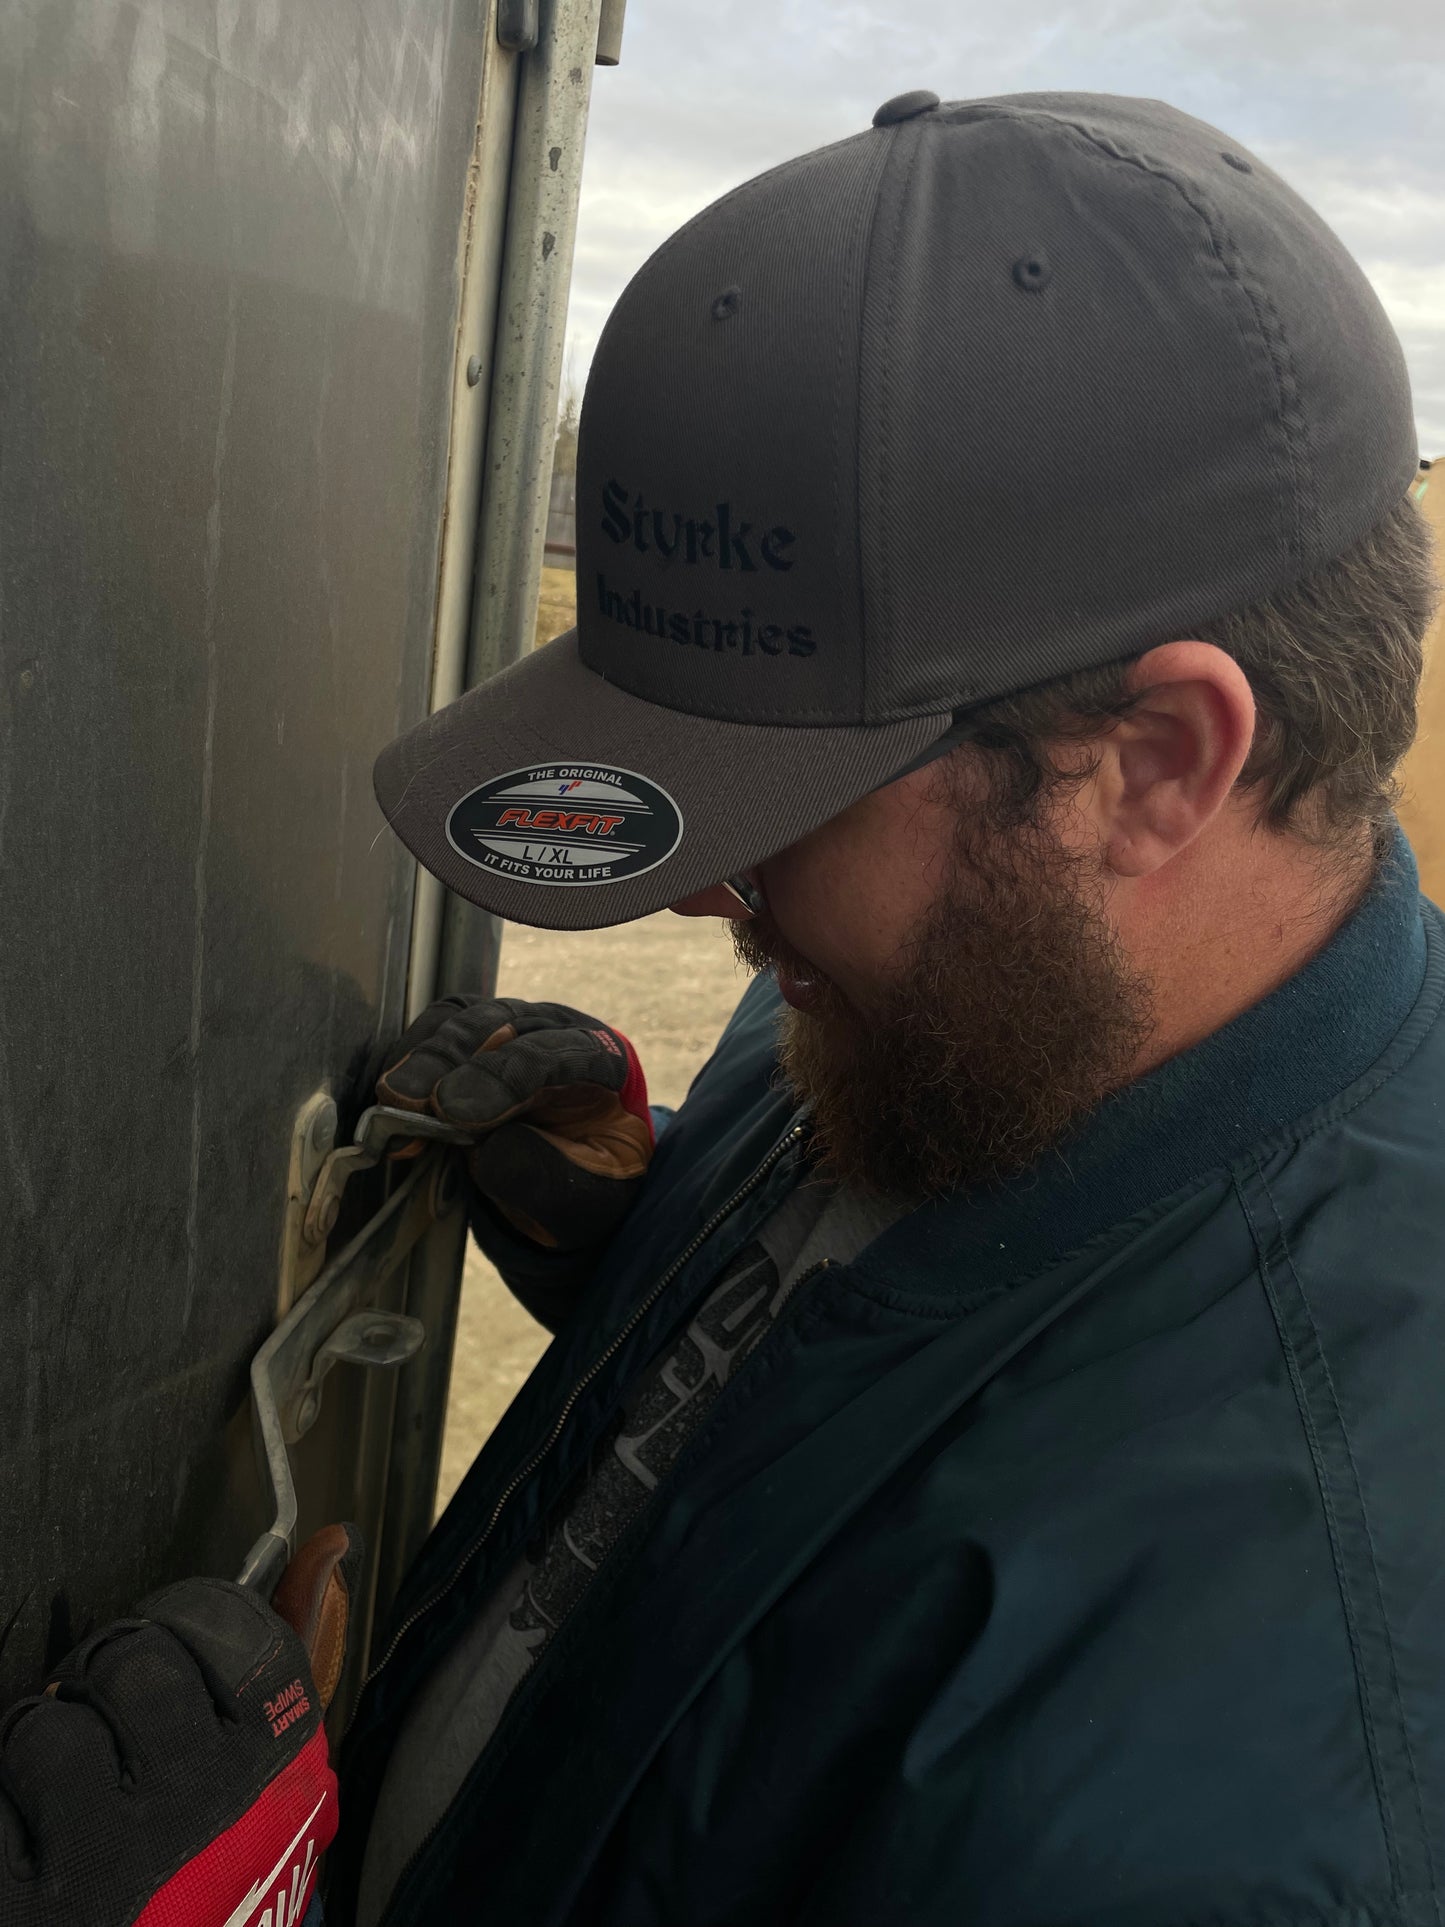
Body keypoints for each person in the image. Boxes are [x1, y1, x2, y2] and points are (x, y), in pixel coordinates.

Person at [3, 88, 1442, 1927]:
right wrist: (656, 1227)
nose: (698, 890)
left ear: (1150, 766)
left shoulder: (1220, 1804)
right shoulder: (982, 1008)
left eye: (781, 802)